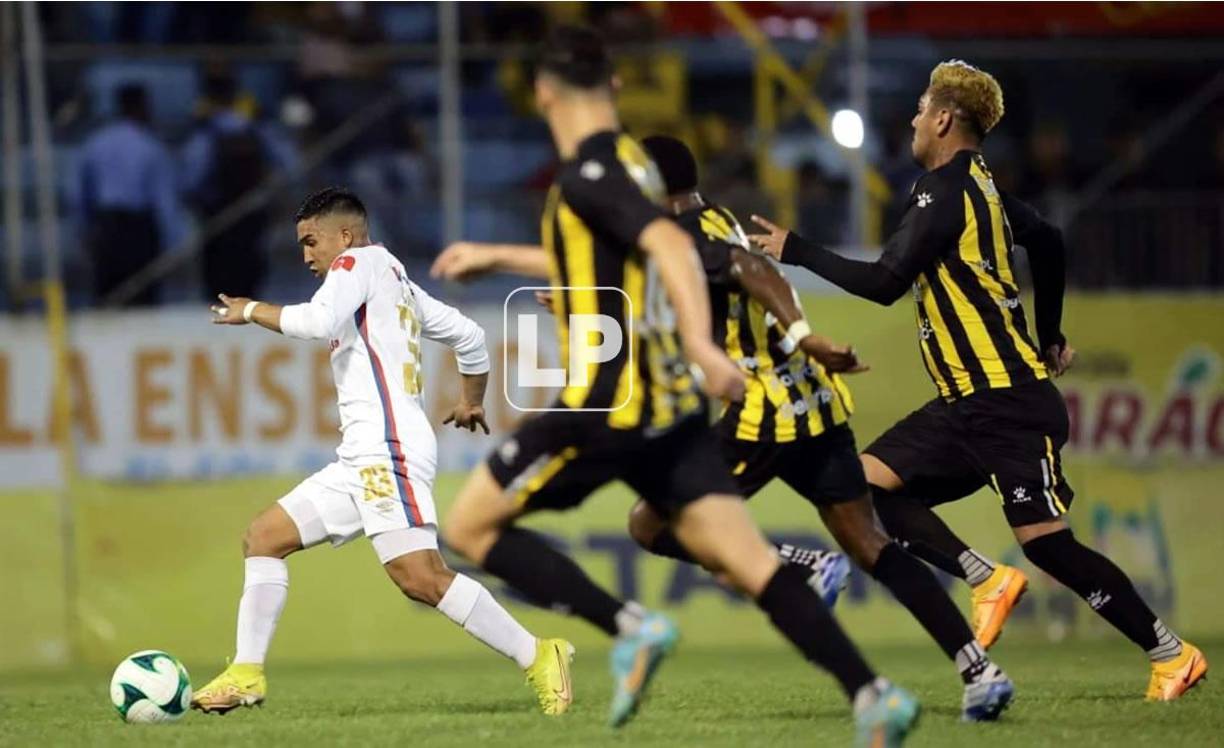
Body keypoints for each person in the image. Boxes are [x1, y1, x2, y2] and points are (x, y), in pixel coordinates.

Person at [431, 26, 919, 745]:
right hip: (674, 411)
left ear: (541, 92)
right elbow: (613, 255)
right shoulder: (636, 165)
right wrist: (498, 255)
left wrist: (699, 342)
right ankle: (873, 694)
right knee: (751, 563)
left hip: (608, 404)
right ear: (615, 86)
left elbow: (668, 245)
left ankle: (630, 626)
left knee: (467, 527)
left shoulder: (588, 173)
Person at [748, 60, 1207, 701]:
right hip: (967, 403)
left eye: (920, 109)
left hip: (1006, 402)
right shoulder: (985, 190)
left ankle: (1172, 654)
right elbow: (1048, 240)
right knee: (863, 489)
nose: (913, 121)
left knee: (1048, 547)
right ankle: (984, 577)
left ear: (943, 119)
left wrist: (795, 249)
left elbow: (884, 282)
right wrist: (1051, 334)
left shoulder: (942, 191)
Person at [626, 134, 1014, 721]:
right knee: (870, 542)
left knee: (650, 523)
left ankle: (804, 566)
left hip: (763, 411)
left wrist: (804, 335)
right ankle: (980, 673)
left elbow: (752, 269)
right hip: (817, 402)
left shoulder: (682, 234)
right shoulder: (713, 218)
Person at [193, 188, 573, 716]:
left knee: (421, 578)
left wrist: (250, 310)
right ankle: (246, 673)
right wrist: (470, 400)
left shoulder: (356, 264)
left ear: (344, 236)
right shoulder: (396, 280)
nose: (306, 255)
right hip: (361, 455)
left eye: (311, 241)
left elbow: (317, 322)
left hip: (388, 448)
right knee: (264, 538)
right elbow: (468, 336)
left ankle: (538, 654)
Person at [77, 83, 182, 306]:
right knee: (142, 296)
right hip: (138, 229)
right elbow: (164, 200)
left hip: (106, 227)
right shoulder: (150, 145)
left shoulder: (97, 143)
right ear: (142, 107)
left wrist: (85, 229)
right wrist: (172, 241)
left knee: (108, 296)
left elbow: (82, 193)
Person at [181, 73, 279, 300]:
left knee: (219, 281)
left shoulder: (206, 133)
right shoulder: (256, 129)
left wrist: (195, 200)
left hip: (218, 213)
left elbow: (192, 177)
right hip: (251, 212)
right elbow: (284, 163)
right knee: (249, 276)